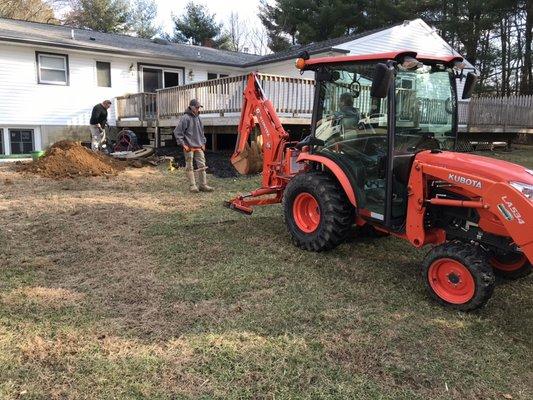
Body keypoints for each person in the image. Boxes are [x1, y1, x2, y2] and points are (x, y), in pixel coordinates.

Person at [173, 99, 214, 193]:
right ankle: (193, 186)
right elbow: (177, 132)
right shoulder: (185, 118)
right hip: (189, 147)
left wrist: (203, 142)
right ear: (191, 107)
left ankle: (203, 185)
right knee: (189, 166)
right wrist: (183, 144)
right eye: (196, 107)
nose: (198, 109)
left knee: (202, 166)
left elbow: (201, 132)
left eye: (199, 107)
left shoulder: (199, 118)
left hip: (199, 146)